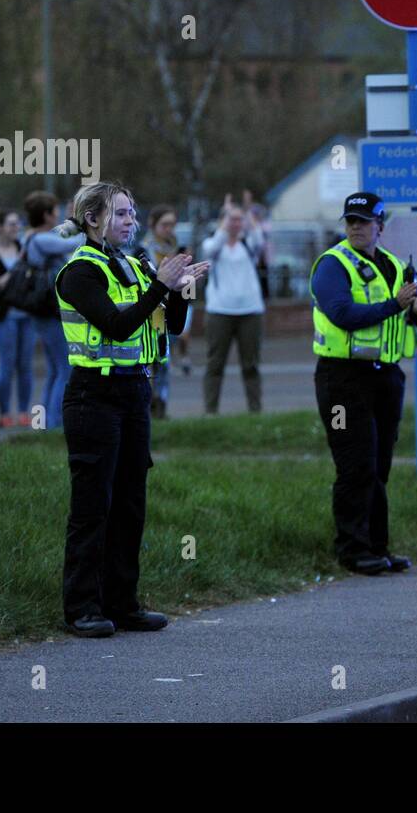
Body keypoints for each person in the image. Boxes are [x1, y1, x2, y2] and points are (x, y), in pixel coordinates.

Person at [53, 181, 208, 637]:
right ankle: (81, 607)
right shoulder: (80, 271)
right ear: (93, 219)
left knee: (130, 504)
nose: (131, 221)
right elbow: (118, 327)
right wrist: (160, 285)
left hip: (134, 394)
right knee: (92, 507)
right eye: (121, 214)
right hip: (93, 398)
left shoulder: (136, 264)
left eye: (133, 213)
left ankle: (122, 603)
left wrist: (180, 290)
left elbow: (170, 328)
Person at [309, 192, 417, 575]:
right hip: (342, 378)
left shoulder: (396, 267)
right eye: (350, 220)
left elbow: (407, 320)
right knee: (356, 464)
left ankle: (378, 546)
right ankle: (352, 549)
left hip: (386, 376)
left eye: (364, 221)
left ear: (380, 226)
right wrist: (396, 306)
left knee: (380, 464)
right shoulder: (332, 265)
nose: (355, 226)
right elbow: (342, 314)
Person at [200, 192, 265, 414]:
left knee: (251, 365)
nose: (236, 223)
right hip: (220, 311)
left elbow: (259, 240)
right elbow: (210, 250)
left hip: (250, 311)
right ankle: (211, 412)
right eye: (231, 219)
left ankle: (255, 411)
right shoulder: (213, 245)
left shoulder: (249, 245)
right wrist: (226, 216)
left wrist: (247, 212)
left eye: (239, 219)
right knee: (215, 364)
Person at [24, 191, 84, 428]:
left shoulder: (35, 238)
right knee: (65, 368)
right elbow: (76, 241)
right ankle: (57, 422)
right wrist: (86, 223)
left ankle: (47, 423)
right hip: (49, 312)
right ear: (47, 215)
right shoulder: (41, 239)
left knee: (54, 369)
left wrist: (75, 220)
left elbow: (67, 234)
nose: (58, 215)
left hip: (43, 312)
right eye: (55, 211)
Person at [132, 205, 189, 418]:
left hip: (170, 309)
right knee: (150, 358)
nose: (169, 229)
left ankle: (161, 404)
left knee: (165, 359)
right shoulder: (142, 249)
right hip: (152, 311)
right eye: (164, 224)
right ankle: (146, 405)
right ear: (152, 224)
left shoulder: (176, 247)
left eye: (172, 225)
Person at [0, 210, 36, 428]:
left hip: (27, 316)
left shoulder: (22, 249)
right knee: (6, 365)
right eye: (12, 224)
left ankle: (23, 411)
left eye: (18, 224)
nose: (17, 228)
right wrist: (17, 266)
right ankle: (4, 413)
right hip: (5, 317)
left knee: (25, 366)